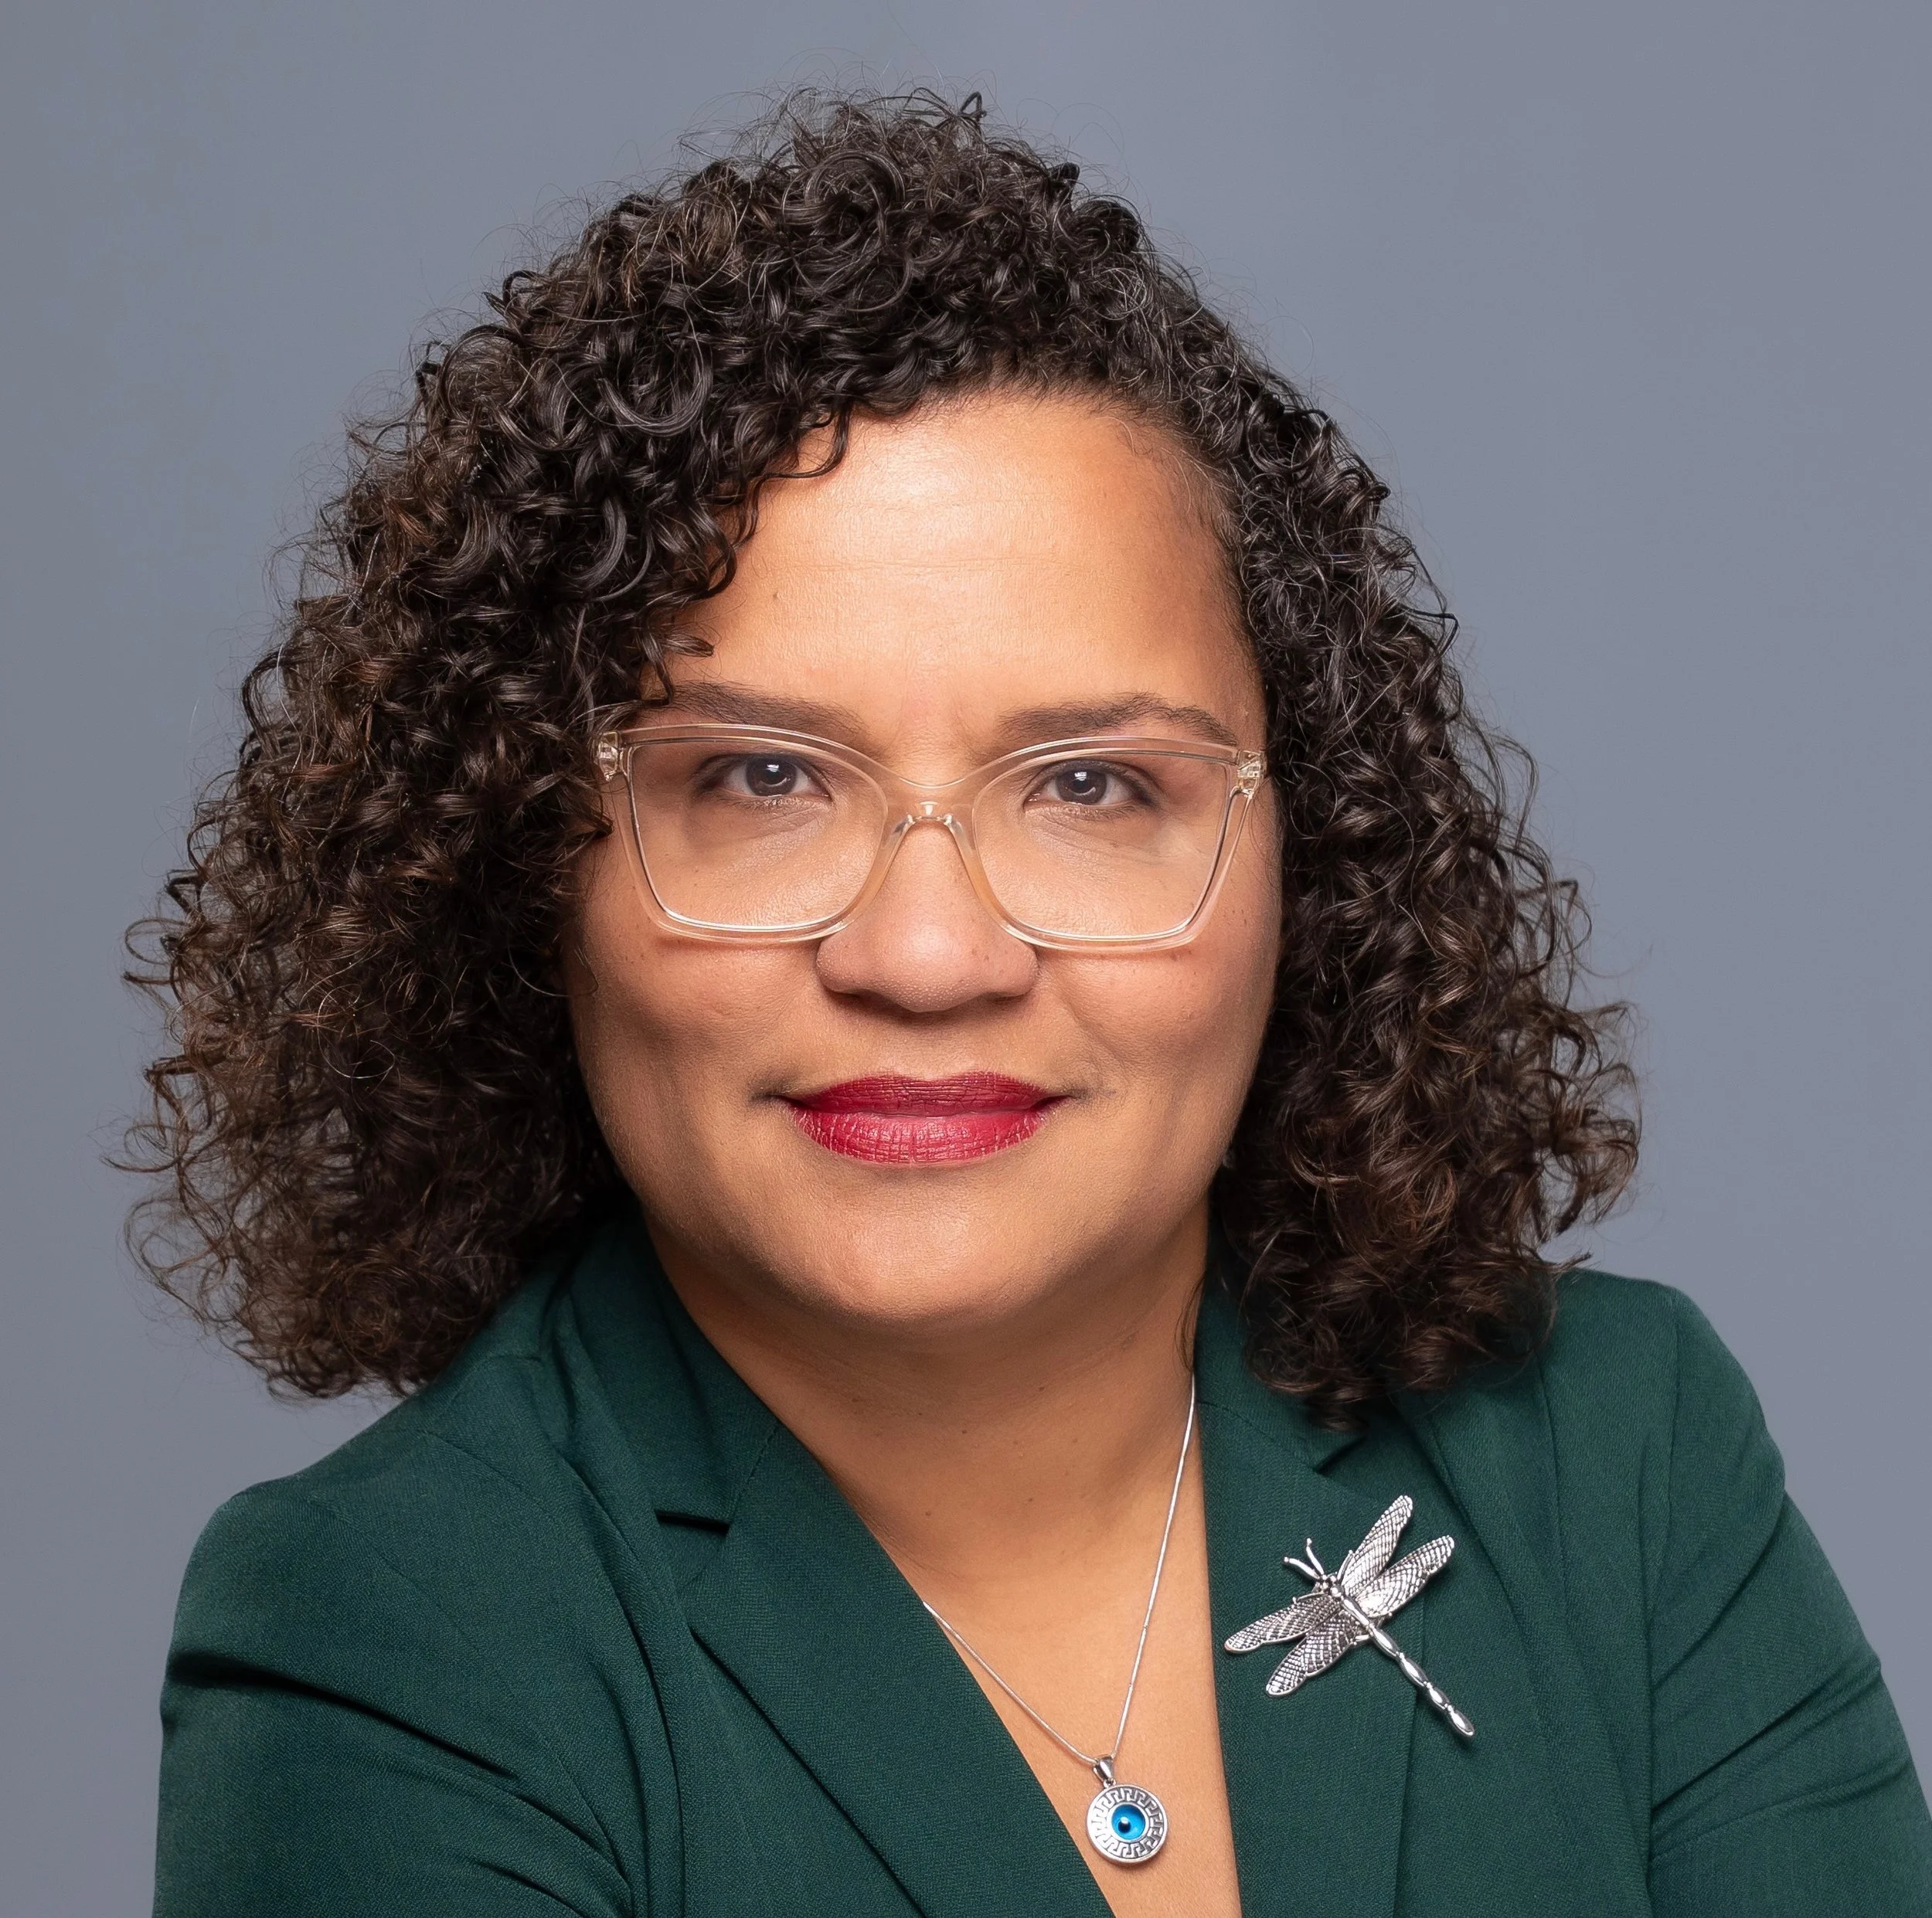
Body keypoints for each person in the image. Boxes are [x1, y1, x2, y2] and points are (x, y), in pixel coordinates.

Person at [130, 92, 1930, 1917]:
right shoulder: (394, 1637)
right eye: (758, 778)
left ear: (1307, 849)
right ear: (527, 859)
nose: (926, 954)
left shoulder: (1618, 1461)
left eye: (1087, 787)